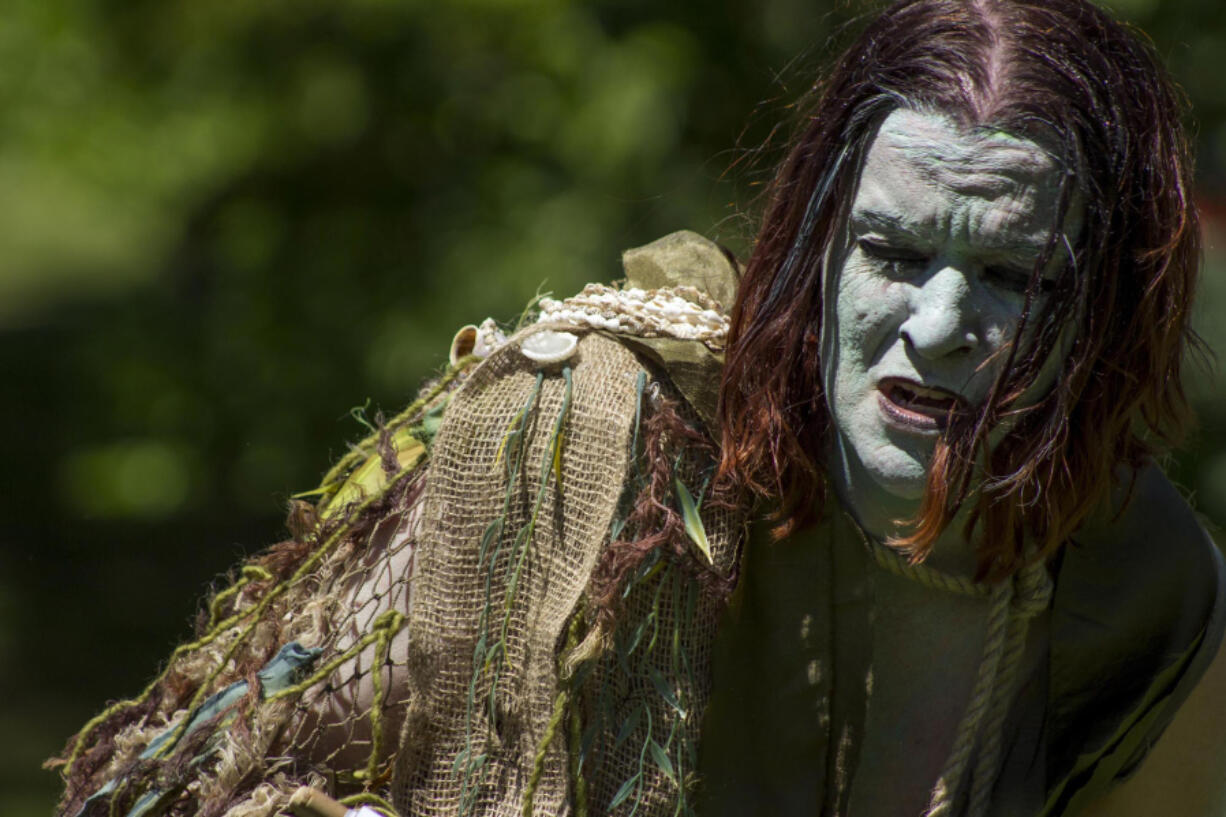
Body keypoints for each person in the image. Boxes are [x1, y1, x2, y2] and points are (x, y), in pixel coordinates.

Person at [50, 0, 1226, 815]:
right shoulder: (598, 439)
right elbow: (202, 769)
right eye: (890, 251)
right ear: (815, 255)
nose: (934, 324)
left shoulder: (1131, 578)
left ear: (1107, 316)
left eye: (1015, 277)